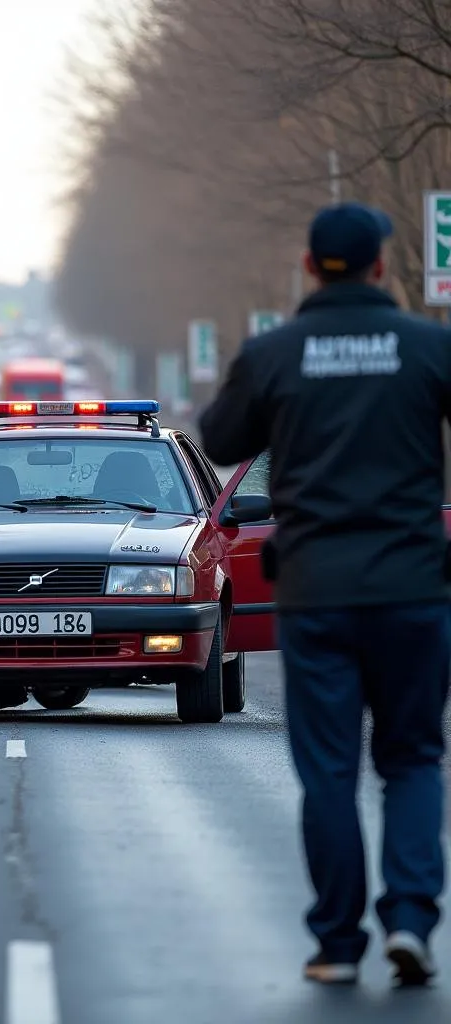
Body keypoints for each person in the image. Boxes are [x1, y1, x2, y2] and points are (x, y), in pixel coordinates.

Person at [200, 202, 451, 988]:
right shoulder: (428, 347)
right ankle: (410, 920)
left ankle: (338, 942)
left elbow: (219, 440)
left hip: (315, 592)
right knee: (412, 759)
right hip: (412, 588)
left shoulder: (277, 354)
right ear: (381, 265)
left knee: (330, 770)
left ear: (310, 268)